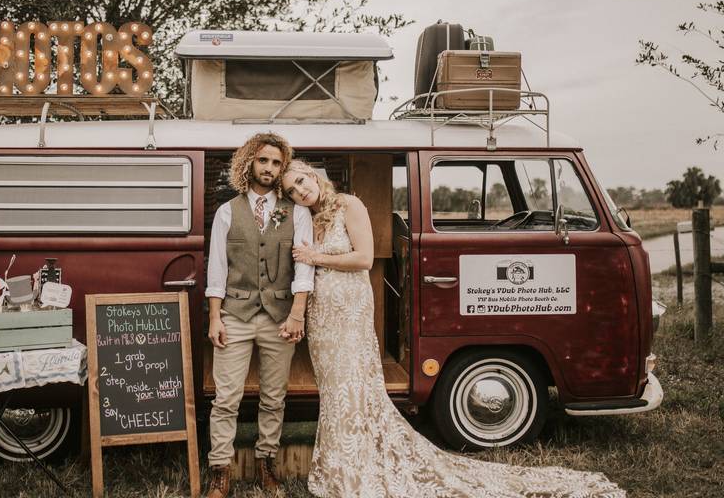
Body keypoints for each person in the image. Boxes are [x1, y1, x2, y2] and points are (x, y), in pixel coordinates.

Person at [279, 159, 626, 498]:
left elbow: (364, 259)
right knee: (334, 386)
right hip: (323, 312)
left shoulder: (349, 204)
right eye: (291, 190)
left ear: (313, 174)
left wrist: (316, 258)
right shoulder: (307, 216)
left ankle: (352, 463)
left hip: (350, 307)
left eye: (301, 181)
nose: (300, 191)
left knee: (351, 383)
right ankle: (342, 459)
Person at [204, 134, 314, 498]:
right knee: (226, 398)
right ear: (249, 163)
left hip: (280, 317)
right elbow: (217, 271)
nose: (269, 169)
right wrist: (215, 318)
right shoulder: (226, 212)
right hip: (235, 314)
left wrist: (297, 313)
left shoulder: (297, 212)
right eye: (263, 161)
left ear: (283, 169)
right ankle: (220, 469)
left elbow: (304, 270)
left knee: (273, 397)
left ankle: (266, 464)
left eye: (276, 163)